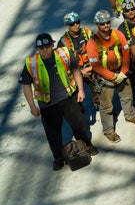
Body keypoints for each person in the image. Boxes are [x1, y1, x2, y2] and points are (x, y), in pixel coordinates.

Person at [21, 33, 96, 170]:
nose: (44, 49)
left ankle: (86, 145)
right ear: (37, 49)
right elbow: (26, 85)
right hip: (47, 105)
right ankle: (58, 158)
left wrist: (80, 90)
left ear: (52, 45)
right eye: (41, 47)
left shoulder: (64, 53)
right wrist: (32, 106)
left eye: (47, 46)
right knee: (53, 134)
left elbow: (76, 70)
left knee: (79, 125)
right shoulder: (31, 63)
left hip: (68, 98)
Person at [87, 10, 135, 143]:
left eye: (107, 22)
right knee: (106, 106)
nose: (105, 26)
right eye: (102, 24)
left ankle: (130, 115)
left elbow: (126, 53)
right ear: (97, 25)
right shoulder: (92, 43)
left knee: (127, 96)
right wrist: (112, 77)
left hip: (121, 72)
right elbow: (96, 66)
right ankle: (109, 131)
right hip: (104, 77)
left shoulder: (118, 34)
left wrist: (123, 71)